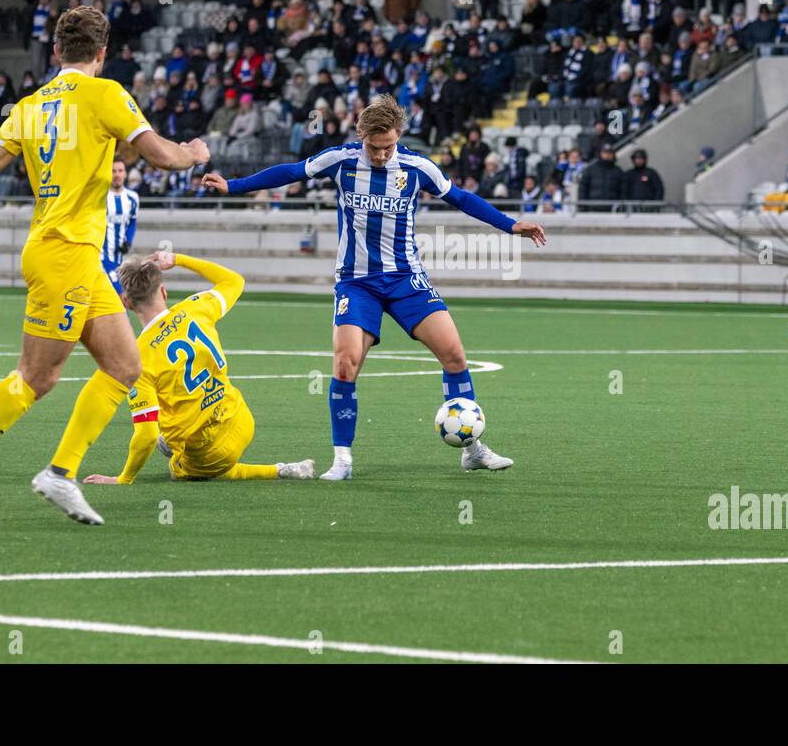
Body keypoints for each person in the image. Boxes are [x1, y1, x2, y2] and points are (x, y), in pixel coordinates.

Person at [0, 6, 211, 528]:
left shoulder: (30, 105)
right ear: (103, 53)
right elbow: (163, 157)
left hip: (73, 256)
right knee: (36, 377)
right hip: (63, 254)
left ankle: (59, 473)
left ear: (56, 52)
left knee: (125, 367)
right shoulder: (107, 93)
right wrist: (192, 152)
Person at [199, 94, 545, 480]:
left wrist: (511, 225)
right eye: (374, 147)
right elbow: (291, 172)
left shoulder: (417, 167)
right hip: (356, 283)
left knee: (455, 357)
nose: (380, 155)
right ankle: (342, 461)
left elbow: (462, 199)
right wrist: (234, 186)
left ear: (398, 137)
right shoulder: (341, 160)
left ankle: (473, 450)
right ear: (361, 135)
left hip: (406, 280)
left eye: (388, 147)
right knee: (345, 366)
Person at [83, 251, 314, 486]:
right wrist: (178, 259)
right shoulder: (196, 307)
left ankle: (277, 470)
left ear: (126, 302)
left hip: (210, 450)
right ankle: (287, 469)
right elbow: (234, 281)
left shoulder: (136, 358)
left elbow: (146, 436)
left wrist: (124, 478)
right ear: (163, 292)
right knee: (174, 425)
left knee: (179, 469)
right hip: (242, 421)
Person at [102, 158, 140, 295]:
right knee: (120, 293)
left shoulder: (132, 197)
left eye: (120, 171)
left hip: (119, 256)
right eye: (113, 171)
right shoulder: (101, 196)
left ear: (125, 174)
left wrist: (128, 241)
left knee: (115, 295)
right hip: (101, 255)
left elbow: (132, 222)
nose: (117, 174)